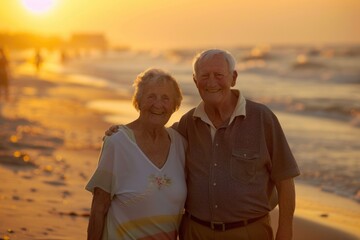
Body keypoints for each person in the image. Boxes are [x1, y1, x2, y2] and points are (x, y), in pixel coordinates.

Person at [106, 49, 300, 240]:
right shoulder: (188, 124)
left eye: (219, 75)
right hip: (195, 232)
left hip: (248, 232)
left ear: (233, 78)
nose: (212, 82)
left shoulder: (261, 118)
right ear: (195, 81)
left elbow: (285, 179)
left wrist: (285, 232)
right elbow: (154, 134)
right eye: (205, 76)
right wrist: (123, 132)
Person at [86, 68, 187, 240]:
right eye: (151, 96)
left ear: (175, 106)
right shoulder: (117, 142)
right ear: (138, 101)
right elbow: (98, 208)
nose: (158, 104)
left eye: (165, 98)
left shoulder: (180, 144)